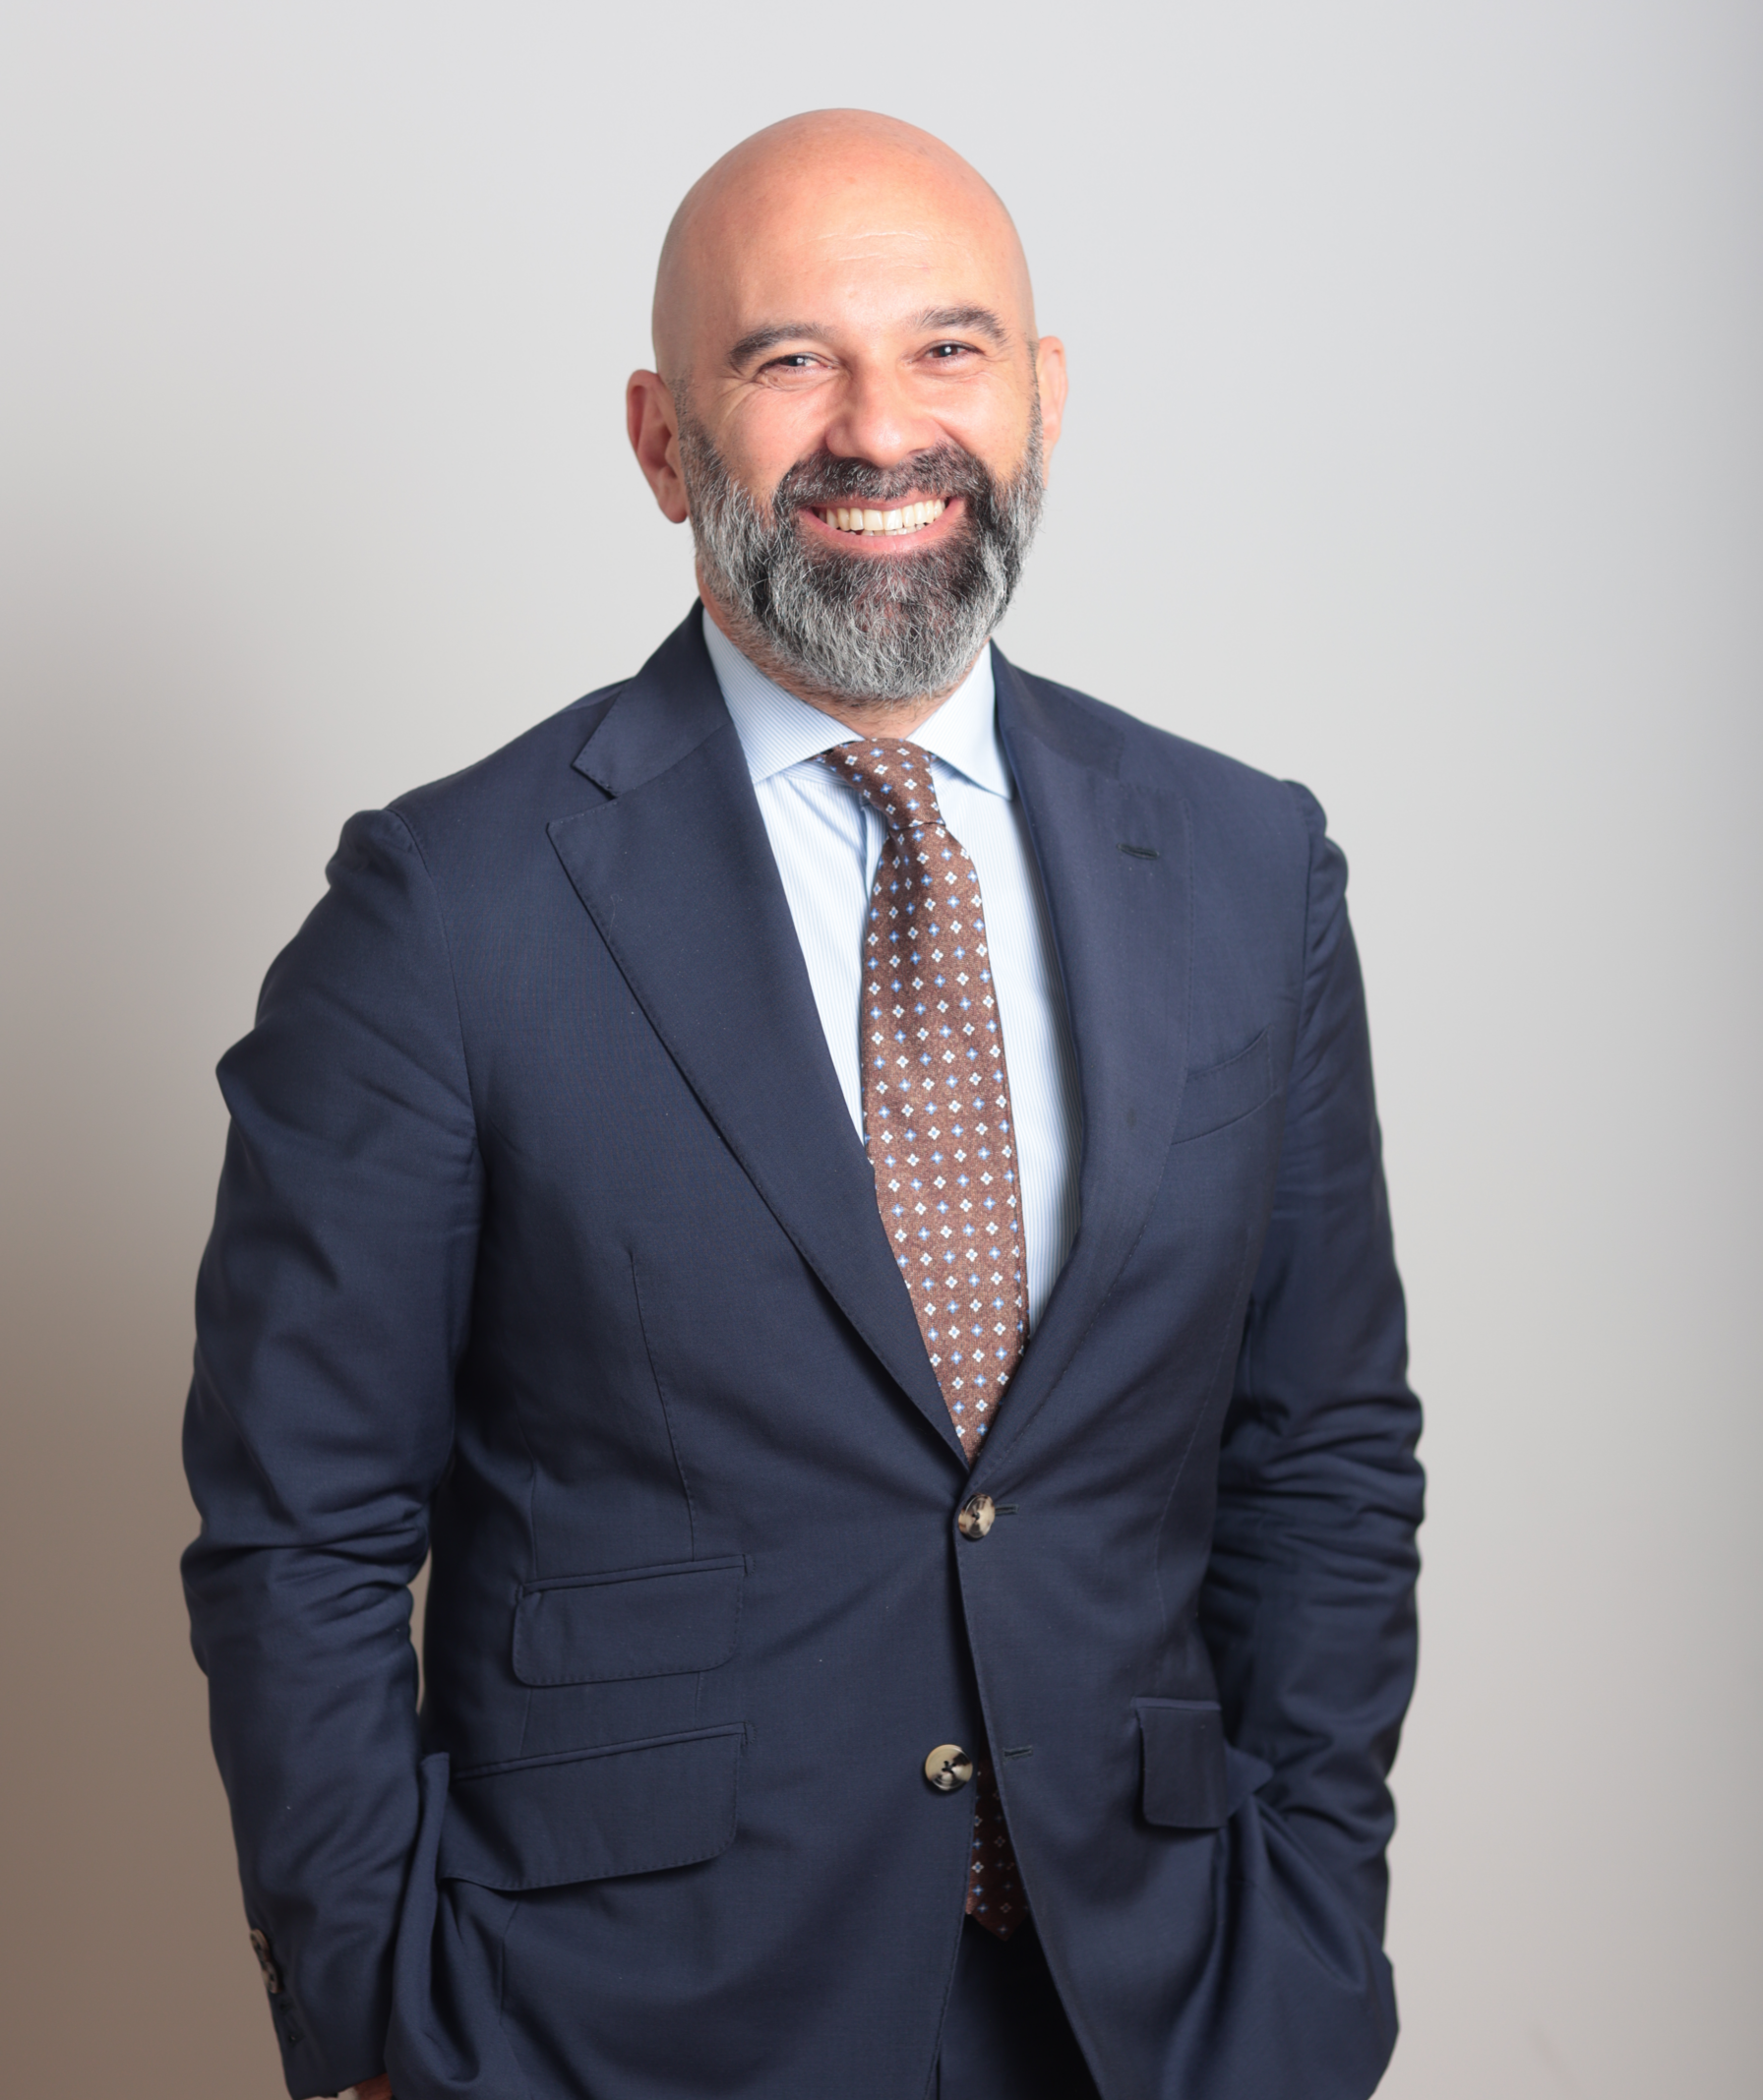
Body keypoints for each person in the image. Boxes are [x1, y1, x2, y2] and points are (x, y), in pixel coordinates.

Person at [183, 109, 1424, 2100]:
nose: (881, 428)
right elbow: (300, 1526)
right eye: (788, 360)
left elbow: (1323, 1451)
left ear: (1040, 394)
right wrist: (378, 2018)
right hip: (612, 2027)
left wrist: (1306, 1936)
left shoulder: (1246, 866)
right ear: (660, 438)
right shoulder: (445, 909)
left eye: (946, 348)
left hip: (1160, 2009)